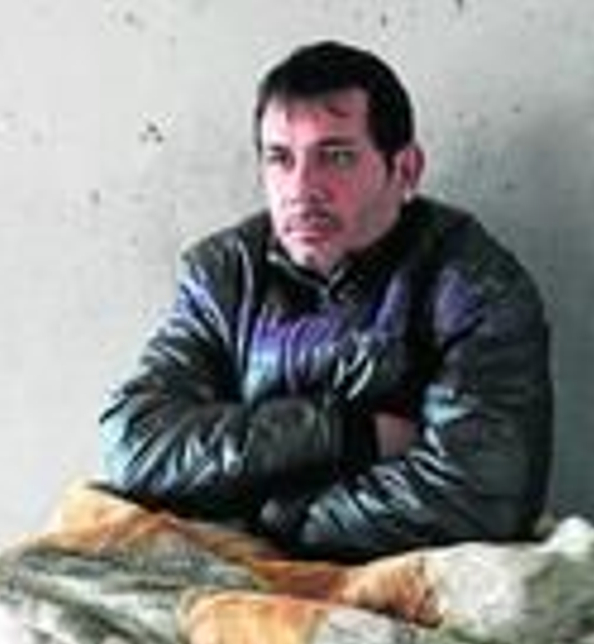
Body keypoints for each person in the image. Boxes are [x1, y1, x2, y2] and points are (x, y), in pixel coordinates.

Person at [99, 40, 553, 561]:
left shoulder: (473, 281)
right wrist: (348, 433)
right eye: (280, 158)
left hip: (406, 569)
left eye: (335, 157)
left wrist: (277, 517)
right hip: (244, 569)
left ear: (405, 170)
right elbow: (134, 446)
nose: (301, 188)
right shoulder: (226, 272)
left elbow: (482, 495)